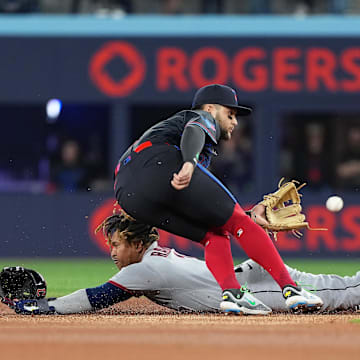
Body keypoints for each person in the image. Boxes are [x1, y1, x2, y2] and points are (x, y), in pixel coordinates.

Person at [113, 83, 323, 314]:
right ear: (211, 108)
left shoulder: (176, 134)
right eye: (230, 114)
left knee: (215, 235)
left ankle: (232, 294)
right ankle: (291, 290)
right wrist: (189, 162)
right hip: (159, 163)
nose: (234, 121)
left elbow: (211, 205)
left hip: (126, 192)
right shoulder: (201, 117)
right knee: (239, 222)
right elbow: (195, 128)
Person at [10, 212, 360, 315]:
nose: (112, 252)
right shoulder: (151, 259)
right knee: (343, 289)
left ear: (136, 243)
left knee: (345, 292)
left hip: (258, 286)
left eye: (116, 244)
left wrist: (46, 307)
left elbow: (96, 297)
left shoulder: (145, 268)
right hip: (248, 280)